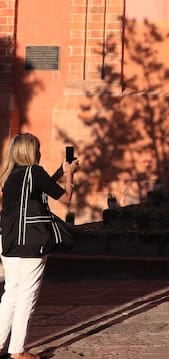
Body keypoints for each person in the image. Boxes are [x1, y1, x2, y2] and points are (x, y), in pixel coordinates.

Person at [0, 133, 78, 359]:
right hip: (31, 241)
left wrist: (58, 173)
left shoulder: (10, 175)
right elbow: (65, 198)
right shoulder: (34, 172)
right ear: (30, 151)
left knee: (11, 292)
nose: (40, 152)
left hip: (8, 239)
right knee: (28, 293)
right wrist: (70, 175)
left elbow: (37, 190)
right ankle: (18, 351)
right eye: (37, 148)